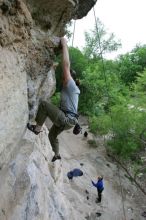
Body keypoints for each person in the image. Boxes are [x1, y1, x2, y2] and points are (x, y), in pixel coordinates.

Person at [27, 37, 80, 162]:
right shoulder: (72, 88)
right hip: (70, 120)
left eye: (65, 75)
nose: (63, 76)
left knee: (44, 105)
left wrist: (64, 45)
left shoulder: (71, 84)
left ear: (70, 77)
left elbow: (66, 65)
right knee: (52, 135)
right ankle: (57, 155)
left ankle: (37, 129)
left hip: (67, 119)